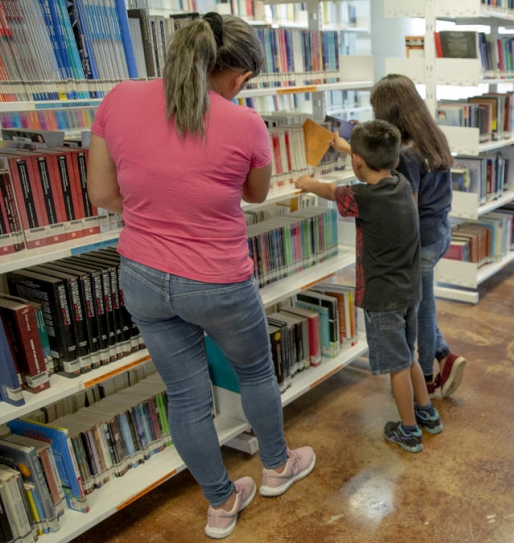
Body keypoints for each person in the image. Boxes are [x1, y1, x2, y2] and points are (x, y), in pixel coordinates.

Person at [86, 13, 315, 539]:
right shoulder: (245, 122)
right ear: (236, 77)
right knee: (255, 372)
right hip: (218, 280)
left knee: (185, 396)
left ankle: (221, 503)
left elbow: (102, 196)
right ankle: (278, 468)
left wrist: (156, 214)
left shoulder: (119, 98)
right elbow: (255, 194)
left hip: (142, 275)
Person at [295, 120, 442, 453]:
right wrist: (349, 148)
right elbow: (375, 162)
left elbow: (332, 192)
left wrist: (306, 182)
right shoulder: (401, 183)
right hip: (409, 291)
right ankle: (427, 414)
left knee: (396, 366)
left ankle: (408, 430)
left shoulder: (363, 196)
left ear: (358, 161)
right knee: (409, 356)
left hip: (382, 297)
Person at [330, 74, 467, 398]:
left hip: (421, 240)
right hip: (441, 231)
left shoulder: (404, 156)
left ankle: (431, 374)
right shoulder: (429, 136)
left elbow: (405, 203)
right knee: (421, 302)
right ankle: (444, 356)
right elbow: (387, 163)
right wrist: (349, 147)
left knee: (420, 307)